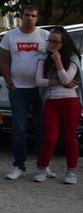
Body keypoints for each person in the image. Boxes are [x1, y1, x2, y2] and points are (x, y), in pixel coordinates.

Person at [0, 5, 49, 180]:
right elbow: (4, 62)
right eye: (27, 15)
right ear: (21, 17)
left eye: (33, 16)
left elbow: (53, 59)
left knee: (42, 128)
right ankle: (19, 165)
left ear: (37, 18)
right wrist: (10, 84)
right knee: (18, 128)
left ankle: (43, 166)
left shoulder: (45, 36)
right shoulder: (10, 36)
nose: (30, 18)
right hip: (18, 89)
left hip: (40, 89)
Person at [34, 27, 82, 185]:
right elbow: (39, 81)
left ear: (64, 43)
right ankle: (42, 169)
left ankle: (71, 172)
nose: (52, 45)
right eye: (50, 41)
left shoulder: (73, 58)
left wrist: (59, 62)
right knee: (50, 138)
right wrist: (60, 81)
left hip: (70, 102)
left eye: (56, 42)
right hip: (52, 102)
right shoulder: (43, 58)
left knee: (70, 138)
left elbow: (68, 79)